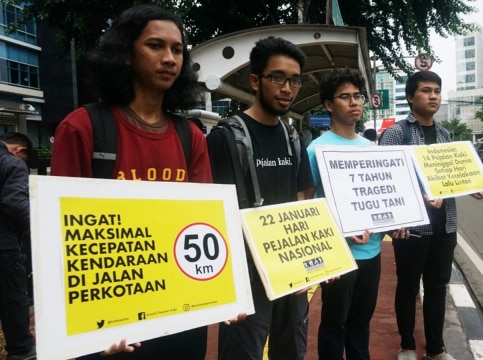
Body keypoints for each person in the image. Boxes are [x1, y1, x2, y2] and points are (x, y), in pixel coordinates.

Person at [50, 4, 211, 359]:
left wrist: (224, 292)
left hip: (181, 314)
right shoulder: (82, 127)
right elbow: (60, 235)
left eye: (178, 49)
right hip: (109, 325)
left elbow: (204, 226)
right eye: (156, 46)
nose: (169, 58)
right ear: (125, 54)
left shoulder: (192, 137)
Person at [378, 71, 483, 360]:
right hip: (412, 229)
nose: (433, 96)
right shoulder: (396, 133)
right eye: (426, 91)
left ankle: (436, 349)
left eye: (437, 91)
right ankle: (407, 345)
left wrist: (472, 187)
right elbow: (388, 181)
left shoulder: (444, 135)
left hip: (445, 227)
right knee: (407, 288)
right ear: (410, 97)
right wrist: (420, 197)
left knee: (437, 288)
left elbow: (451, 176)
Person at [214, 36, 315, 360]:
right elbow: (214, 215)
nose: (287, 88)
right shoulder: (225, 137)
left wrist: (310, 264)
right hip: (247, 278)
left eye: (295, 80)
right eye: (278, 77)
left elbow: (301, 198)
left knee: (292, 353)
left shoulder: (292, 137)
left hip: (290, 272)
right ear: (255, 81)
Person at [305, 67, 395, 360]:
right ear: (329, 105)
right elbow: (308, 208)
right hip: (338, 255)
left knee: (361, 324)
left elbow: (380, 197)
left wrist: (397, 223)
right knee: (334, 325)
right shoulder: (316, 150)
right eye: (345, 97)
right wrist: (340, 232)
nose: (355, 102)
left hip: (372, 252)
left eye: (357, 96)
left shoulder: (371, 148)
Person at [0, 132, 36, 360]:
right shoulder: (12, 163)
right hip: (4, 245)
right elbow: (15, 202)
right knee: (13, 300)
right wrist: (39, 226)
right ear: (20, 151)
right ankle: (21, 350)